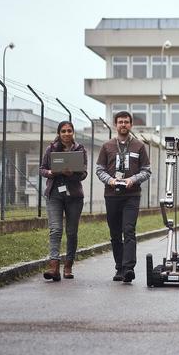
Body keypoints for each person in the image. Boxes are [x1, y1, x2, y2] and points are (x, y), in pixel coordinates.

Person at [96, 111, 151, 283]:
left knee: (128, 230)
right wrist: (111, 180)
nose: (123, 125)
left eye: (126, 122)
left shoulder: (139, 146)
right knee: (115, 233)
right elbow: (99, 170)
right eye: (120, 122)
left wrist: (132, 180)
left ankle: (128, 268)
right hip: (111, 195)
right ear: (115, 124)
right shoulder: (107, 146)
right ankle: (119, 268)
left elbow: (146, 171)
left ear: (131, 125)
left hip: (131, 195)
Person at [39, 120, 88, 281]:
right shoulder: (51, 149)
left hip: (74, 196)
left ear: (73, 132)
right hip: (54, 194)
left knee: (71, 232)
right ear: (59, 133)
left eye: (69, 131)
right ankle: (54, 267)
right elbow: (42, 169)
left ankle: (68, 265)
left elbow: (84, 174)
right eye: (63, 131)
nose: (66, 134)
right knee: (55, 229)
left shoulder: (80, 149)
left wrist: (72, 174)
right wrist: (51, 172)